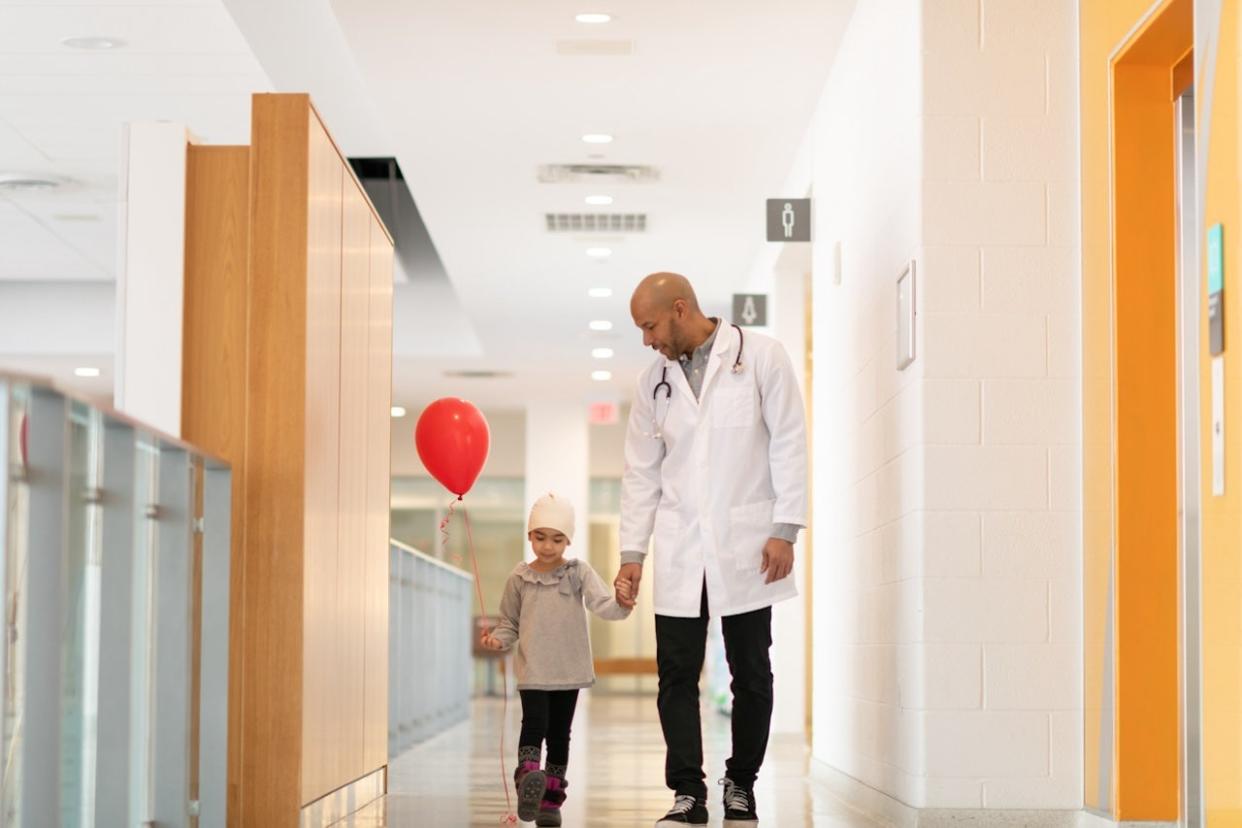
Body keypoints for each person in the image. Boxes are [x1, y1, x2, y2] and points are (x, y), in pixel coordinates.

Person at [613, 272, 807, 826]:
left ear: (679, 310)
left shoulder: (761, 357)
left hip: (748, 541)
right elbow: (639, 474)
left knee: (751, 672)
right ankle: (688, 793)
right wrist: (632, 554)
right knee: (675, 674)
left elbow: (790, 439)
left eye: (649, 326)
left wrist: (786, 527)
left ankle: (740, 784)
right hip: (680, 547)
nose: (647, 340)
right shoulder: (653, 383)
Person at [481, 492, 632, 825]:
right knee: (534, 724)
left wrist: (622, 603)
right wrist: (497, 640)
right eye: (540, 537)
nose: (547, 546)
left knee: (560, 733)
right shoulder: (519, 578)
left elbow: (602, 603)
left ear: (568, 540)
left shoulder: (578, 572)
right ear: (529, 535)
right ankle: (528, 778)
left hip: (570, 668)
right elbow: (510, 623)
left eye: (557, 539)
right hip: (534, 668)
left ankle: (550, 799)